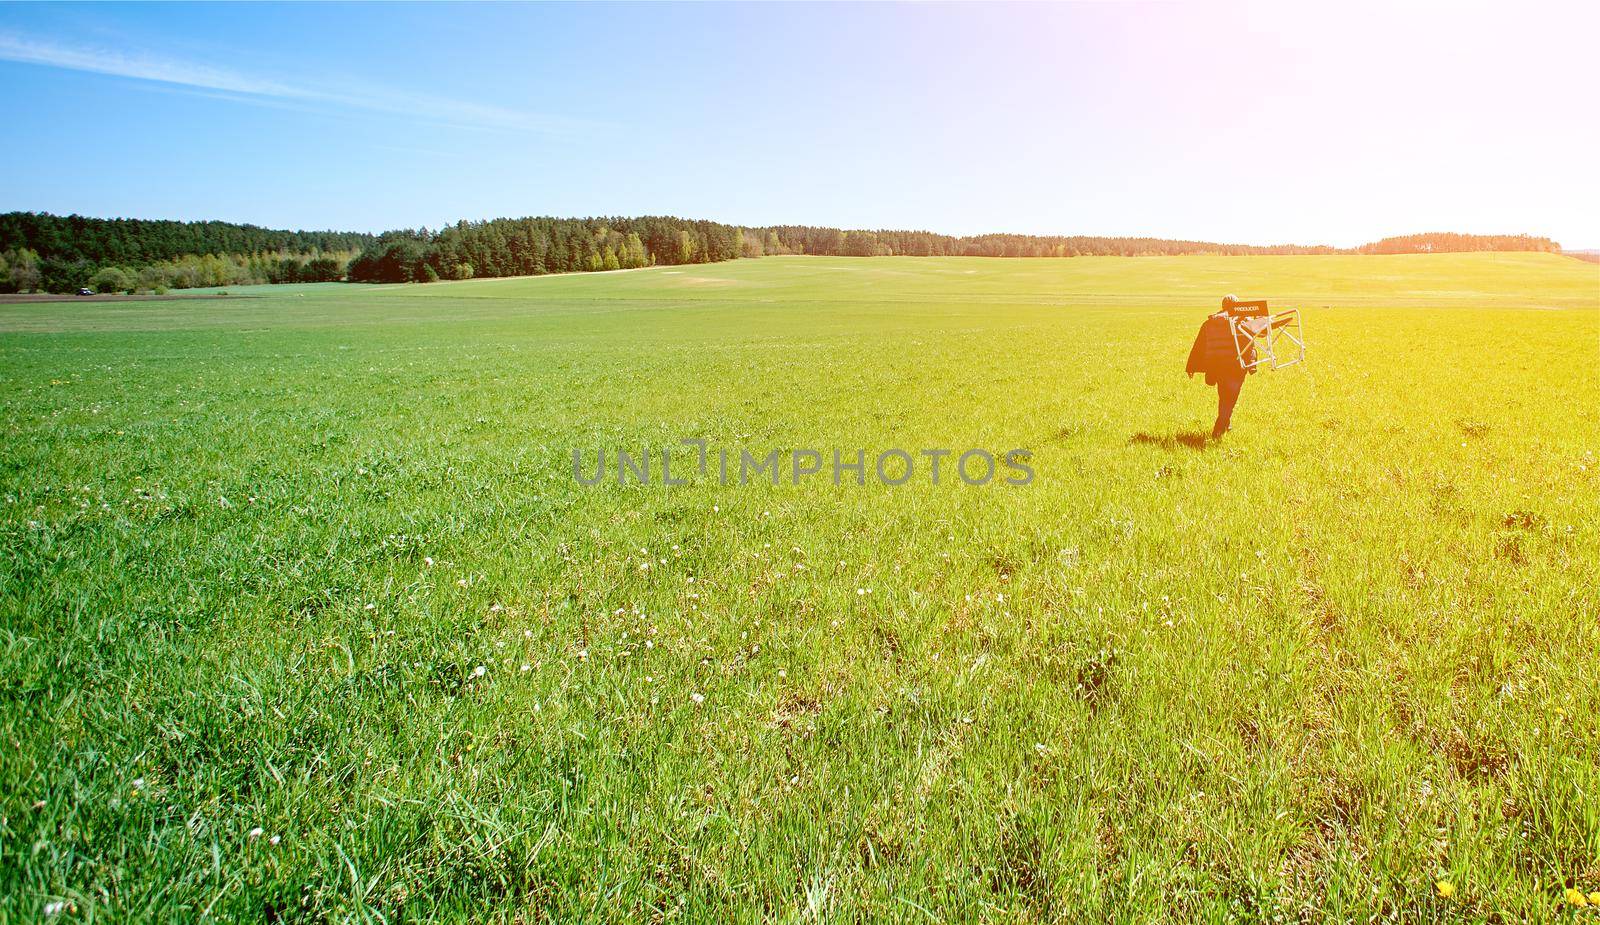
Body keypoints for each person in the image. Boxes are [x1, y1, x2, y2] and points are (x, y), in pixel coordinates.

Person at [1184, 294, 1255, 439]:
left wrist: (1191, 366)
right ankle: (1219, 429)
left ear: (1222, 306)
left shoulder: (1210, 322)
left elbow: (1199, 346)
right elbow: (1253, 342)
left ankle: (1225, 424)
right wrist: (1252, 364)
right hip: (1236, 366)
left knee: (1224, 395)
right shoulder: (1244, 321)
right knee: (1231, 397)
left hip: (1217, 366)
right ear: (1238, 306)